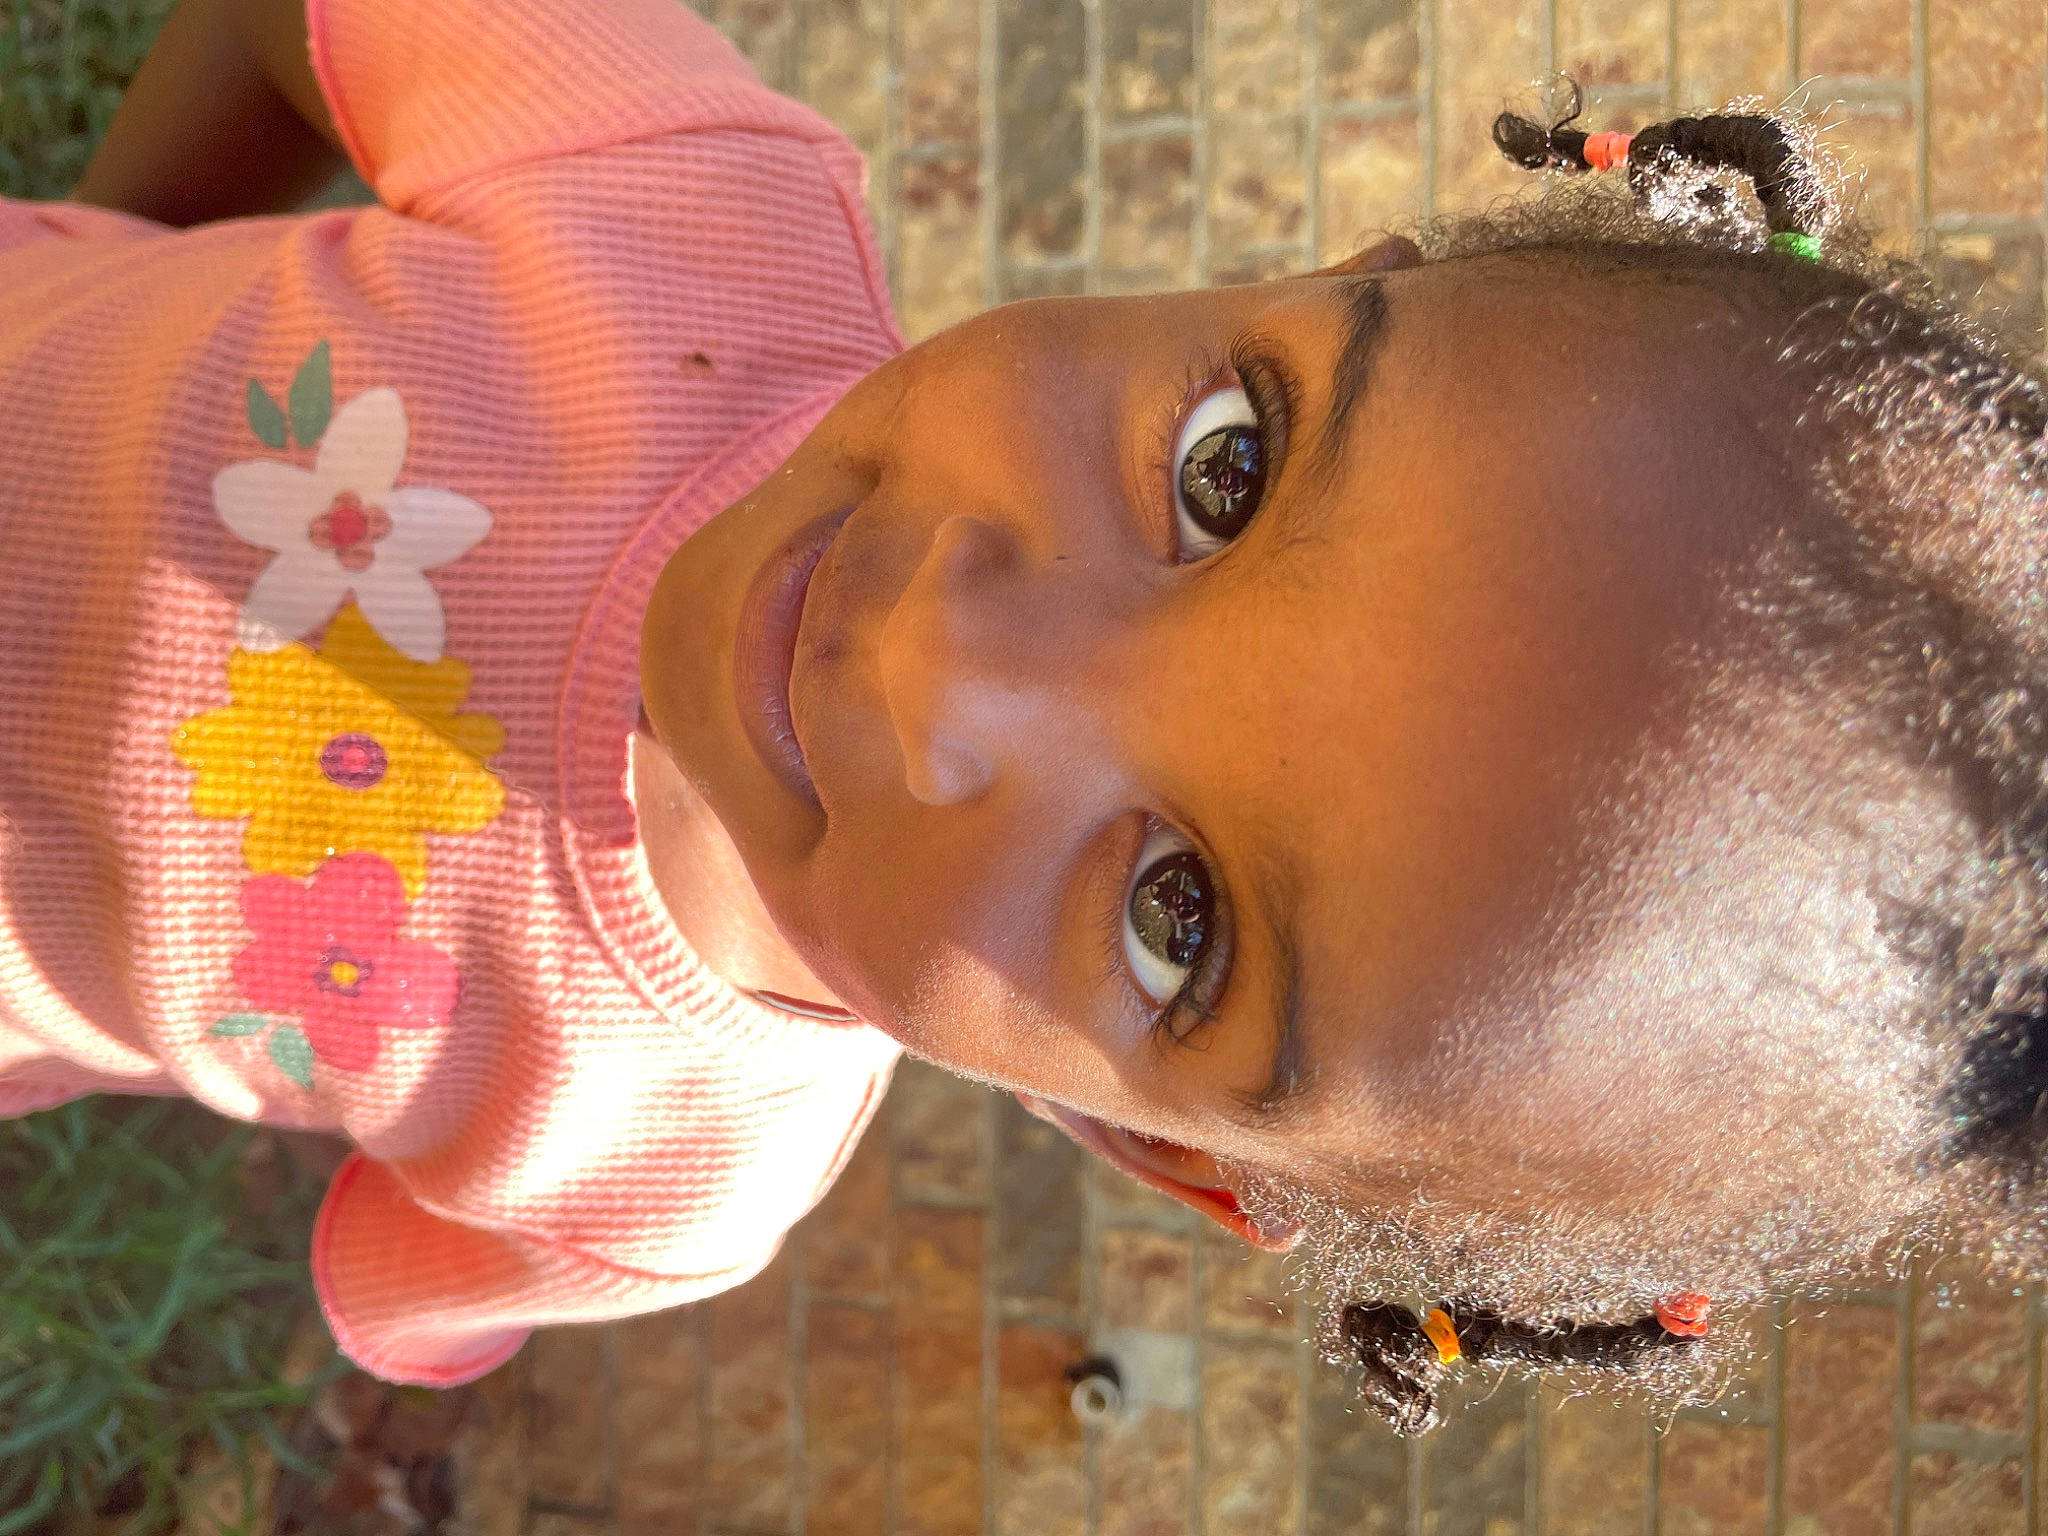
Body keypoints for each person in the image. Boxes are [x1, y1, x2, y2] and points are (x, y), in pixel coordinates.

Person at [4, 0, 2043, 1436]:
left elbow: (395, 1293)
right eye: (1226, 472)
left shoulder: (655, 1188)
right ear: (1335, 269)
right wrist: (119, 248)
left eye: (1183, 919)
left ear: (1163, 1158)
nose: (935, 659)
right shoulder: (668, 196)